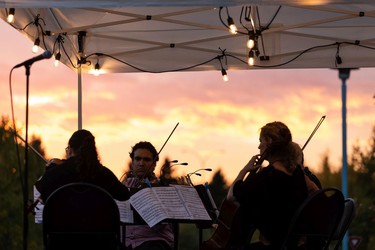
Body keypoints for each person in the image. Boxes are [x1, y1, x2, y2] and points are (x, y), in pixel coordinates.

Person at [225, 121, 311, 249]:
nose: (259, 146)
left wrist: (245, 171)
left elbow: (231, 196)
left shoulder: (265, 179)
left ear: (269, 142)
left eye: (261, 141)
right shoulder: (298, 175)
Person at [35, 129, 130, 203]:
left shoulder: (58, 171)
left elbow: (42, 190)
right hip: (96, 226)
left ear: (70, 150)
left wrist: (50, 169)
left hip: (64, 226)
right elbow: (124, 195)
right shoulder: (104, 173)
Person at [121, 141, 174, 250]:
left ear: (154, 164)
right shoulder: (123, 186)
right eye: (138, 159)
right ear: (132, 161)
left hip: (153, 241)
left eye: (147, 160)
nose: (141, 163)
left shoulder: (161, 187)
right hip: (126, 241)